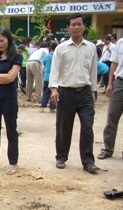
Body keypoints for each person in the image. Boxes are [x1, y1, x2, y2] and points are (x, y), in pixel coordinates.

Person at [49, 13, 99, 173]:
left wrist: (93, 91)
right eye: (73, 25)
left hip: (85, 92)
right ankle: (61, 157)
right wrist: (54, 89)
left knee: (87, 127)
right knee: (64, 127)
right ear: (68, 28)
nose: (76, 27)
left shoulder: (91, 48)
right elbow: (55, 70)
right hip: (66, 92)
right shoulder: (61, 48)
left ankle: (88, 161)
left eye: (79, 24)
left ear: (84, 26)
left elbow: (93, 71)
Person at [0, 28, 22, 175]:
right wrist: (1, 77)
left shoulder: (17, 57)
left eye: (2, 41)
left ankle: (13, 162)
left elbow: (11, 78)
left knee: (11, 130)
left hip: (9, 98)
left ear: (9, 40)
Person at [98, 37, 123, 160]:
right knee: (112, 116)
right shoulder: (121, 42)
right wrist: (110, 83)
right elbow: (114, 63)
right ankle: (108, 149)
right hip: (120, 83)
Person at [40, 42, 57, 113]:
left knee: (45, 92)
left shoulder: (46, 57)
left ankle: (42, 107)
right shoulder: (57, 56)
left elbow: (43, 65)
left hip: (47, 77)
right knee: (54, 93)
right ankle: (52, 108)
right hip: (55, 77)